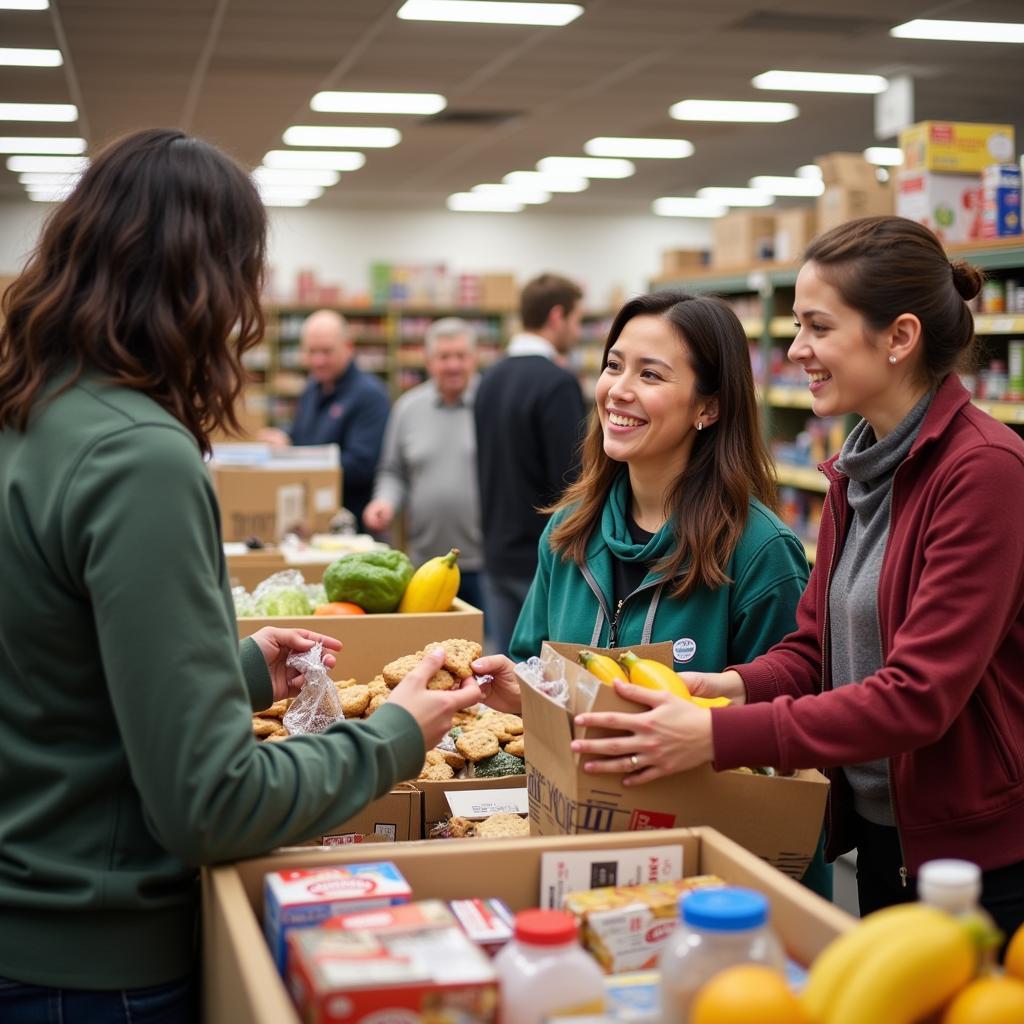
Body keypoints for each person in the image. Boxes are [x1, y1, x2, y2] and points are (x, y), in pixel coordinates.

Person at [0, 128, 483, 1022]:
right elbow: (208, 805)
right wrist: (396, 735)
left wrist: (234, 665)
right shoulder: (138, 456)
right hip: (92, 958)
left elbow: (55, 671)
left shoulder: (29, 412)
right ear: (208, 283)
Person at [567, 217, 1024, 941]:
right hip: (882, 836)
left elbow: (919, 697)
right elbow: (814, 653)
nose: (796, 351)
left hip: (978, 863)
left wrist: (719, 739)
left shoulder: (986, 474)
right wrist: (732, 688)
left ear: (898, 338)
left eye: (817, 327)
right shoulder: (860, 468)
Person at [473, 290, 827, 895]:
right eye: (614, 365)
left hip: (715, 880)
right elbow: (538, 665)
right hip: (582, 854)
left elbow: (789, 740)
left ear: (707, 409)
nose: (619, 389)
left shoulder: (759, 552)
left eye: (651, 374)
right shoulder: (568, 532)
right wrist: (519, 693)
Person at [474, 272, 587, 655]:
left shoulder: (489, 379)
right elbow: (572, 478)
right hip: (543, 557)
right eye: (576, 320)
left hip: (495, 550)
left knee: (507, 672)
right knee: (547, 677)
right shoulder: (556, 382)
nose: (576, 330)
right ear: (557, 316)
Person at [363, 317, 486, 610]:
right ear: (429, 361)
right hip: (425, 564)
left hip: (487, 564)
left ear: (474, 359)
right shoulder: (408, 408)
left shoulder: (494, 404)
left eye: (461, 356)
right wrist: (385, 502)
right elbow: (393, 471)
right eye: (444, 357)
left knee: (491, 650)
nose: (453, 365)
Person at [260, 308, 390, 530]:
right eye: (311, 352)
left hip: (350, 528)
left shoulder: (370, 395)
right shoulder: (313, 388)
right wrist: (284, 441)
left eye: (327, 351)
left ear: (348, 348)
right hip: (310, 523)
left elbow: (360, 466)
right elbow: (302, 438)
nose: (318, 361)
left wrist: (292, 456)